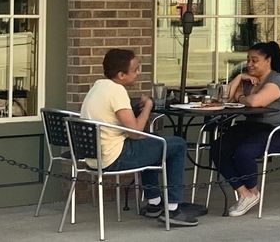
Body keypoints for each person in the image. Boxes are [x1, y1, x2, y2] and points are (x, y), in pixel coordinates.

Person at [80, 49, 199, 226]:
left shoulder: (98, 87)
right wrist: (148, 107)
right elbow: (135, 133)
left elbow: (118, 119)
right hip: (114, 157)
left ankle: (154, 204)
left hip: (95, 157)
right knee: (178, 144)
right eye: (135, 70)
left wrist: (137, 110)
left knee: (153, 141)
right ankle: (173, 209)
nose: (138, 73)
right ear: (121, 75)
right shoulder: (116, 91)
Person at [213, 41, 280, 217]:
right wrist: (238, 78)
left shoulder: (276, 80)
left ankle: (253, 190)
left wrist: (241, 97)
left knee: (243, 152)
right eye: (248, 59)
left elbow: (255, 102)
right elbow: (224, 99)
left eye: (254, 60)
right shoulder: (249, 79)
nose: (249, 64)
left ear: (268, 61)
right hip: (254, 128)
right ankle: (245, 193)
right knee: (218, 148)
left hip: (278, 132)